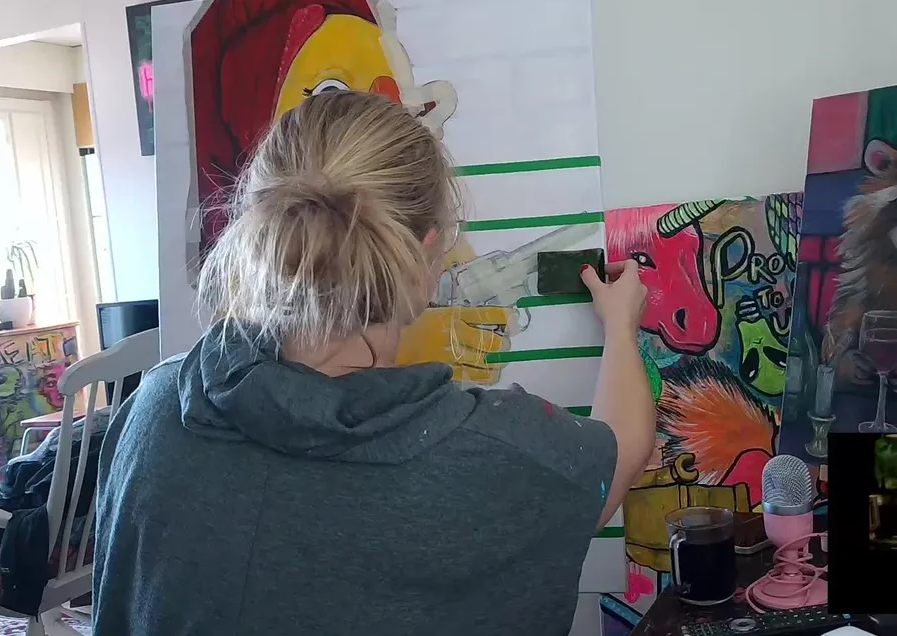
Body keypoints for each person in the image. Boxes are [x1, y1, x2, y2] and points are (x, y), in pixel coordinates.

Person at [93, 91, 657, 635]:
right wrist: (621, 325)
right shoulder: (501, 453)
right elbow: (625, 448)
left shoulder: (153, 406)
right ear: (425, 256)